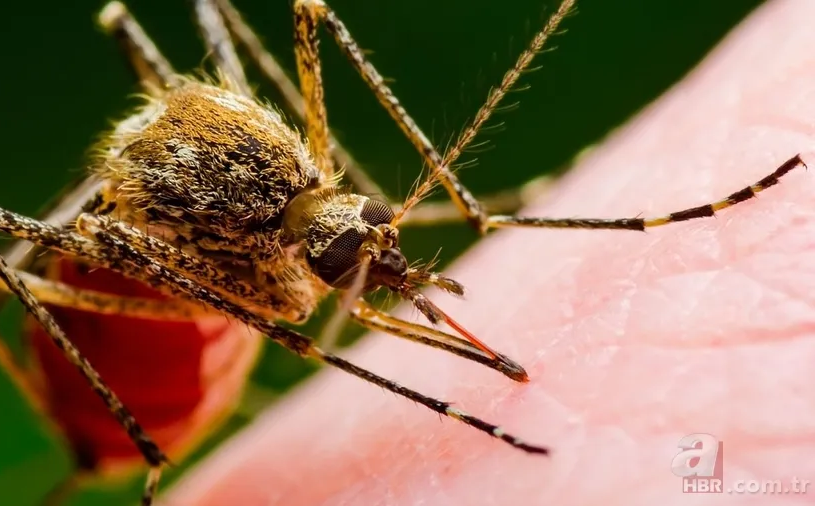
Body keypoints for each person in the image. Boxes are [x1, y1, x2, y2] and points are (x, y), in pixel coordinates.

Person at [168, 0, 815, 503]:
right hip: (160, 224)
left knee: (306, 14)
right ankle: (149, 461)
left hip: (249, 178)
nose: (387, 264)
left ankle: (479, 208)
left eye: (377, 227)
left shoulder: (314, 196)